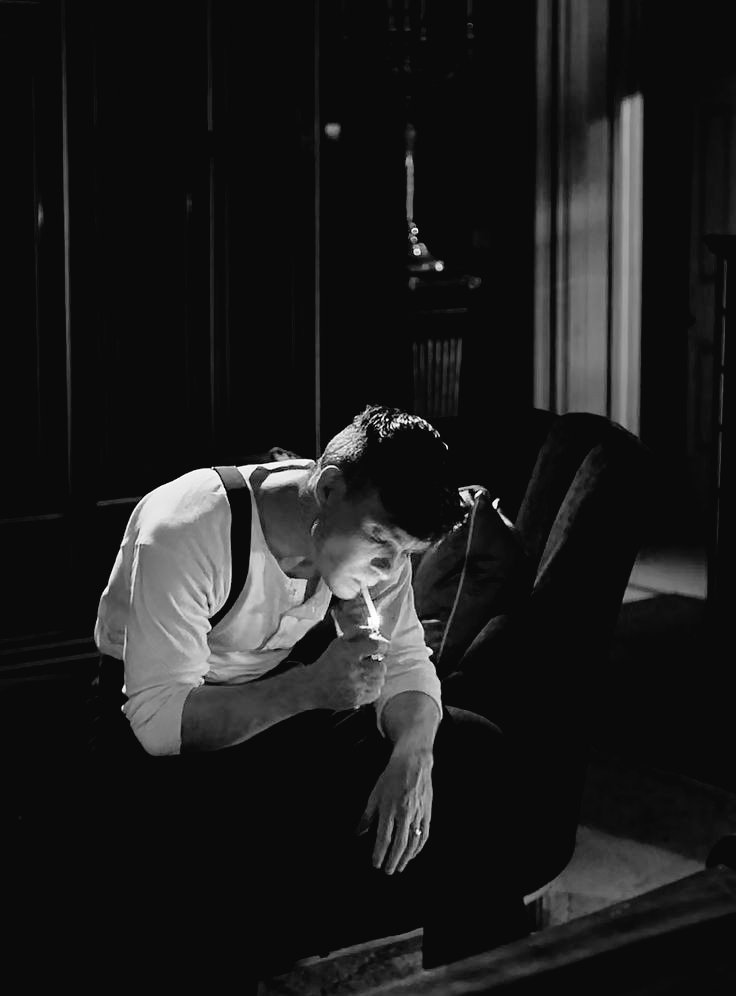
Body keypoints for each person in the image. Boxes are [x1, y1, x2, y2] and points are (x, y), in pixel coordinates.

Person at [93, 404, 530, 980]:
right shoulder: (186, 527)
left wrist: (413, 754)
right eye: (379, 540)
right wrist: (312, 688)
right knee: (218, 856)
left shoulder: (371, 549)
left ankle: (475, 981)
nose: (389, 568)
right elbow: (159, 722)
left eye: (405, 553)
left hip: (281, 692)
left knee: (476, 752)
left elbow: (405, 661)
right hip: (156, 716)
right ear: (328, 490)